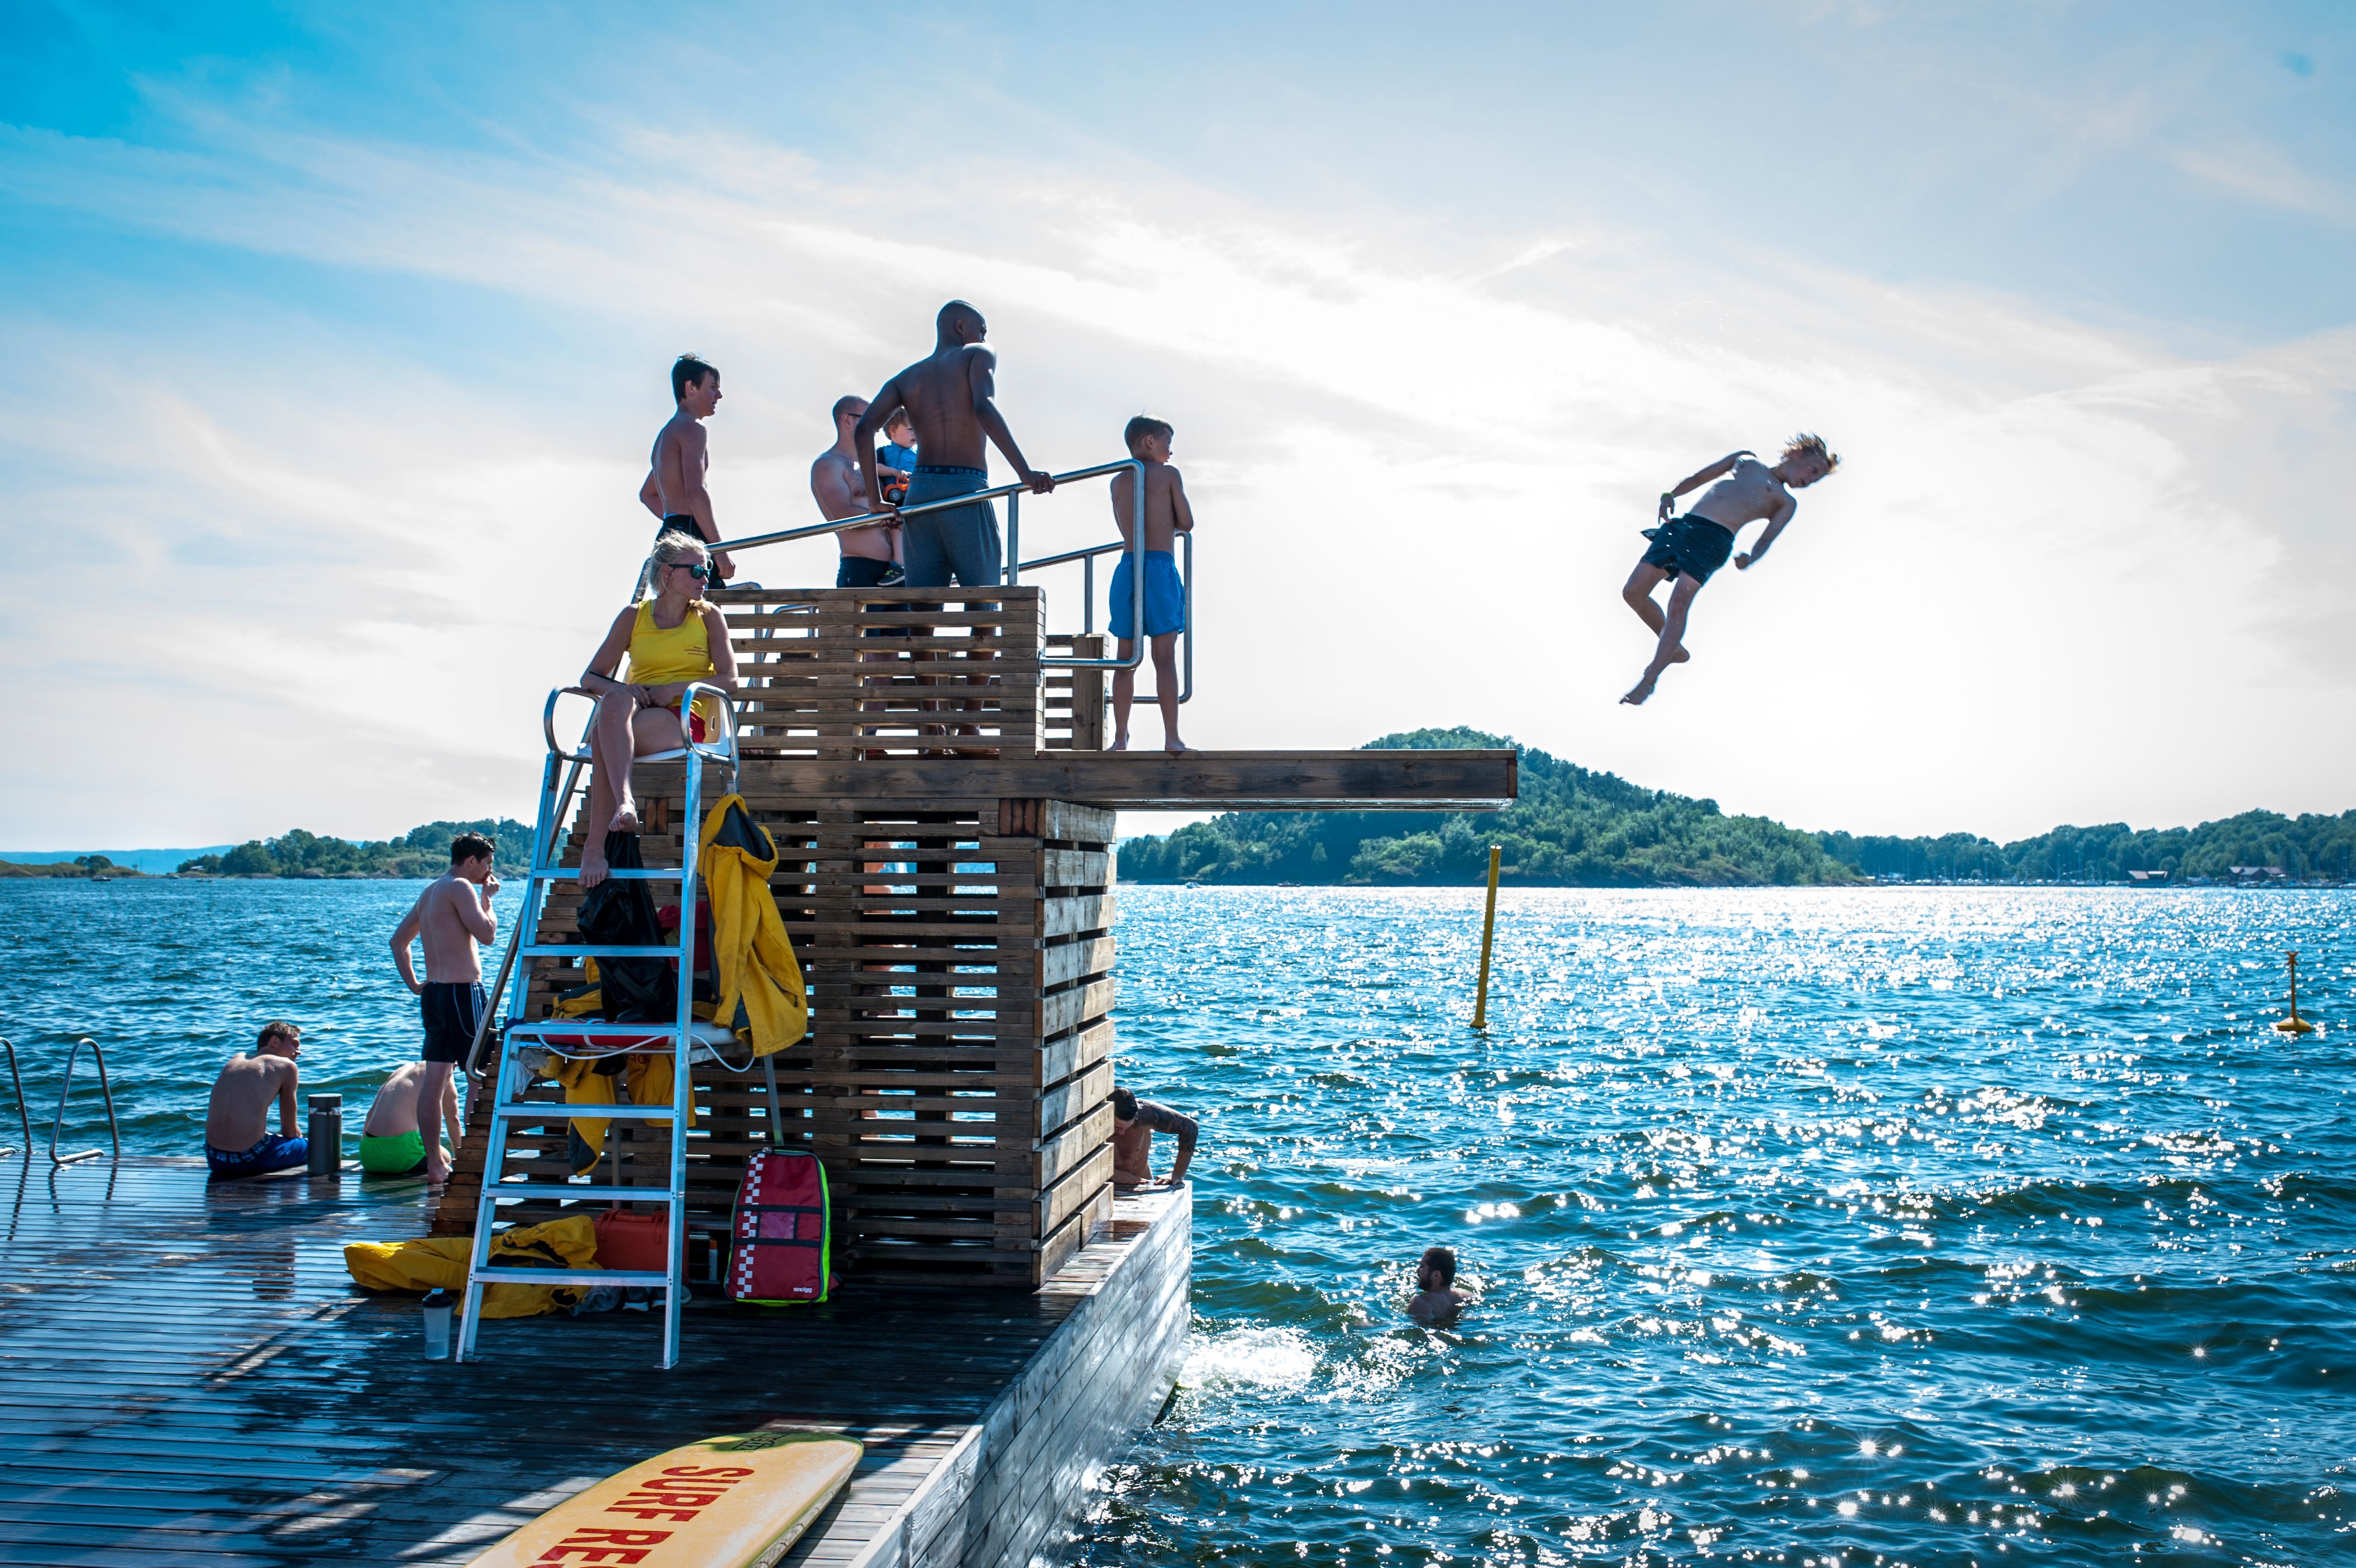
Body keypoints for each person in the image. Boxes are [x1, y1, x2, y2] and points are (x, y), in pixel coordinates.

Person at [573, 530, 741, 887]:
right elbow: (591, 678)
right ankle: (624, 805)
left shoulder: (709, 616)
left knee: (605, 736)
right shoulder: (634, 617)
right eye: (697, 571)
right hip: (645, 713)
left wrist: (676, 690)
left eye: (707, 569)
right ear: (667, 573)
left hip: (698, 717)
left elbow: (730, 681)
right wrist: (631, 690)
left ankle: (596, 843)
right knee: (613, 700)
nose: (705, 578)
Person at [851, 299, 1057, 589]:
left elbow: (864, 430)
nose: (984, 338)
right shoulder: (979, 353)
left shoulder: (907, 377)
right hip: (964, 490)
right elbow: (983, 407)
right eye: (981, 330)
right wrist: (1025, 473)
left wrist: (876, 502)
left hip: (920, 493)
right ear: (961, 327)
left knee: (922, 608)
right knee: (983, 600)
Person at [1620, 433, 1838, 706]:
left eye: (1816, 480)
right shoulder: (1745, 460)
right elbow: (1700, 478)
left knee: (1679, 604)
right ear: (1797, 454)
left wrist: (1752, 557)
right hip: (1684, 527)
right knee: (1633, 592)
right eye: (1813, 470)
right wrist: (1670, 494)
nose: (1811, 480)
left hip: (1714, 541)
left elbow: (1768, 538)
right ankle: (1672, 648)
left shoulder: (1785, 501)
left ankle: (1650, 677)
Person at [389, 832, 501, 1183]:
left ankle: (437, 1165)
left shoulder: (431, 891)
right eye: (487, 865)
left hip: (435, 993)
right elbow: (487, 934)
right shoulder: (462, 888)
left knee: (434, 1083)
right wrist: (488, 899)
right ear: (471, 861)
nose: (488, 873)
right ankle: (477, 1163)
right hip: (462, 993)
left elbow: (398, 942)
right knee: (478, 1076)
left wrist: (414, 985)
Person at [1107, 416, 1195, 752]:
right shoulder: (1169, 475)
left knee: (1126, 659)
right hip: (1159, 566)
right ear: (1149, 441)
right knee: (1165, 658)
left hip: (1129, 567)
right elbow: (1187, 522)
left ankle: (1120, 738)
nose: (1170, 452)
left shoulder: (1118, 481)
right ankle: (1171, 737)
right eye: (1167, 443)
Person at [638, 353, 737, 590]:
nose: (719, 395)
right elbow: (696, 491)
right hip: (690, 535)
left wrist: (675, 522)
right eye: (713, 387)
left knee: (673, 618)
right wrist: (720, 552)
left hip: (669, 536)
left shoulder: (665, 435)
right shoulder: (693, 429)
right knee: (707, 618)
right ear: (690, 388)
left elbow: (647, 494)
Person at [812, 394, 905, 590]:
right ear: (847, 420)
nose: (876, 427)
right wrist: (888, 517)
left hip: (895, 573)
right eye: (868, 418)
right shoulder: (829, 464)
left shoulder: (873, 466)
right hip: (861, 570)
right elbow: (842, 515)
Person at [203, 1021, 308, 1180]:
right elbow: (290, 1131)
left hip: (215, 1159)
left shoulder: (235, 1060)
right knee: (319, 1146)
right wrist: (299, 1139)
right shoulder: (287, 1066)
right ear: (274, 1042)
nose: (298, 1052)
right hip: (250, 1159)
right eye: (294, 1044)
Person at [357, 1061, 449, 1177]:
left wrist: (364, 1154)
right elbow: (454, 1119)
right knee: (446, 1156)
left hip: (368, 1157)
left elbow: (370, 1114)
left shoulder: (400, 1072)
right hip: (402, 1156)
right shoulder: (442, 1069)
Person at [1110, 1085, 1197, 1189]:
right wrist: (1110, 1173)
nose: (1122, 1133)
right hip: (1103, 1186)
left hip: (1142, 1183)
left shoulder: (1145, 1115)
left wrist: (1178, 1173)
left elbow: (1190, 1127)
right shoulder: (1090, 1120)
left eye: (1128, 1126)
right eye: (1117, 1127)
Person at [1408, 1246, 1465, 1323]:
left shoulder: (1420, 1302)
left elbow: (1423, 1330)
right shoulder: (1465, 1295)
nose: (1417, 1271)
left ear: (1436, 1275)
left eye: (1422, 1267)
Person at [876, 408, 919, 505]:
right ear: (893, 430)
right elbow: (876, 468)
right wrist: (894, 472)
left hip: (914, 490)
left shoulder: (919, 454)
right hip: (893, 491)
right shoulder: (883, 451)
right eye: (910, 429)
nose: (915, 433)